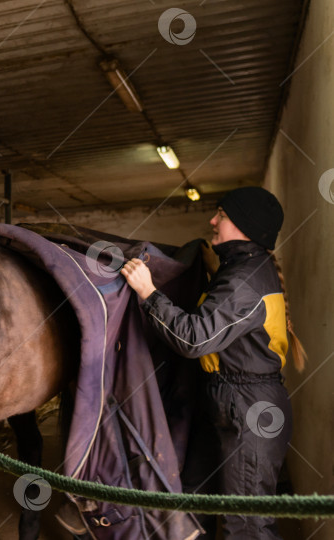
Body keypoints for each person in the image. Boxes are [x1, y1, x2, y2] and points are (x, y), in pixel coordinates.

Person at [120, 186, 307, 539]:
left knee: (247, 525)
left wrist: (148, 293)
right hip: (227, 401)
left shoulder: (244, 280)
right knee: (195, 500)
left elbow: (194, 339)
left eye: (220, 214)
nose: (212, 220)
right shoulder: (242, 268)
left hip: (250, 410)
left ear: (243, 225)